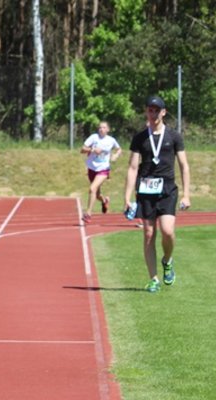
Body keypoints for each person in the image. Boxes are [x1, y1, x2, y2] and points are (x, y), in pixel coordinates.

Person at [123, 95, 191, 293]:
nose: (152, 114)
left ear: (163, 112)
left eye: (156, 110)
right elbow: (132, 168)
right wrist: (127, 197)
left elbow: (184, 166)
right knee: (149, 233)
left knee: (168, 231)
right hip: (145, 189)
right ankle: (153, 279)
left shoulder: (174, 137)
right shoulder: (140, 138)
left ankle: (167, 260)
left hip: (167, 189)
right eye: (149, 110)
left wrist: (186, 194)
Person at [80, 120, 121, 222]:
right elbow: (82, 149)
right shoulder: (94, 137)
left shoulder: (111, 140)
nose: (101, 129)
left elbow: (119, 149)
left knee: (92, 189)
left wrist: (115, 155)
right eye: (100, 127)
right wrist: (92, 150)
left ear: (108, 129)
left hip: (103, 169)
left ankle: (88, 214)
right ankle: (104, 200)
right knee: (97, 194)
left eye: (103, 127)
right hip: (92, 168)